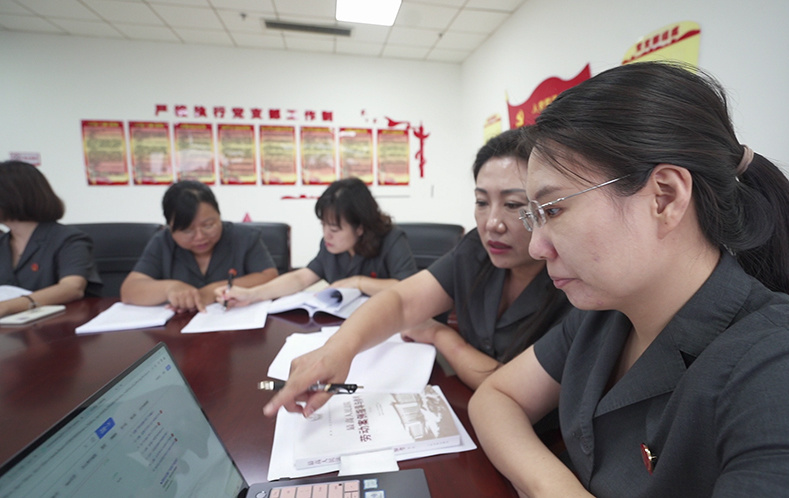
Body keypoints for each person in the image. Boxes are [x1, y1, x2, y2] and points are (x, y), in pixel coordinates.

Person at [467, 61, 789, 497]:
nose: (536, 247)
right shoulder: (607, 316)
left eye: (553, 210)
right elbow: (497, 398)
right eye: (535, 216)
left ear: (664, 197)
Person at [261, 129, 573, 419]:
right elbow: (401, 301)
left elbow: (509, 388)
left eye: (513, 204)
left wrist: (441, 335)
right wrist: (338, 351)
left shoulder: (573, 282)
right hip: (466, 408)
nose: (492, 222)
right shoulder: (475, 251)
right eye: (481, 202)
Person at [216, 177, 417, 306]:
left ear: (360, 227)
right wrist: (252, 294)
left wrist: (359, 282)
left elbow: (409, 288)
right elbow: (301, 278)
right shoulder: (331, 245)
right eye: (323, 225)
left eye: (335, 229)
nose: (326, 235)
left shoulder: (392, 240)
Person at [120, 180, 277, 312]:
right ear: (170, 228)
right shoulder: (162, 242)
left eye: (208, 225)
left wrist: (209, 292)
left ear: (219, 215)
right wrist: (170, 288)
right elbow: (129, 290)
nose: (200, 237)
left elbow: (269, 277)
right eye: (187, 230)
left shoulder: (244, 238)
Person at [0, 160, 101, 321]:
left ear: (9, 196)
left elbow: (71, 288)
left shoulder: (68, 239)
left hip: (56, 331)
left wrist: (4, 307)